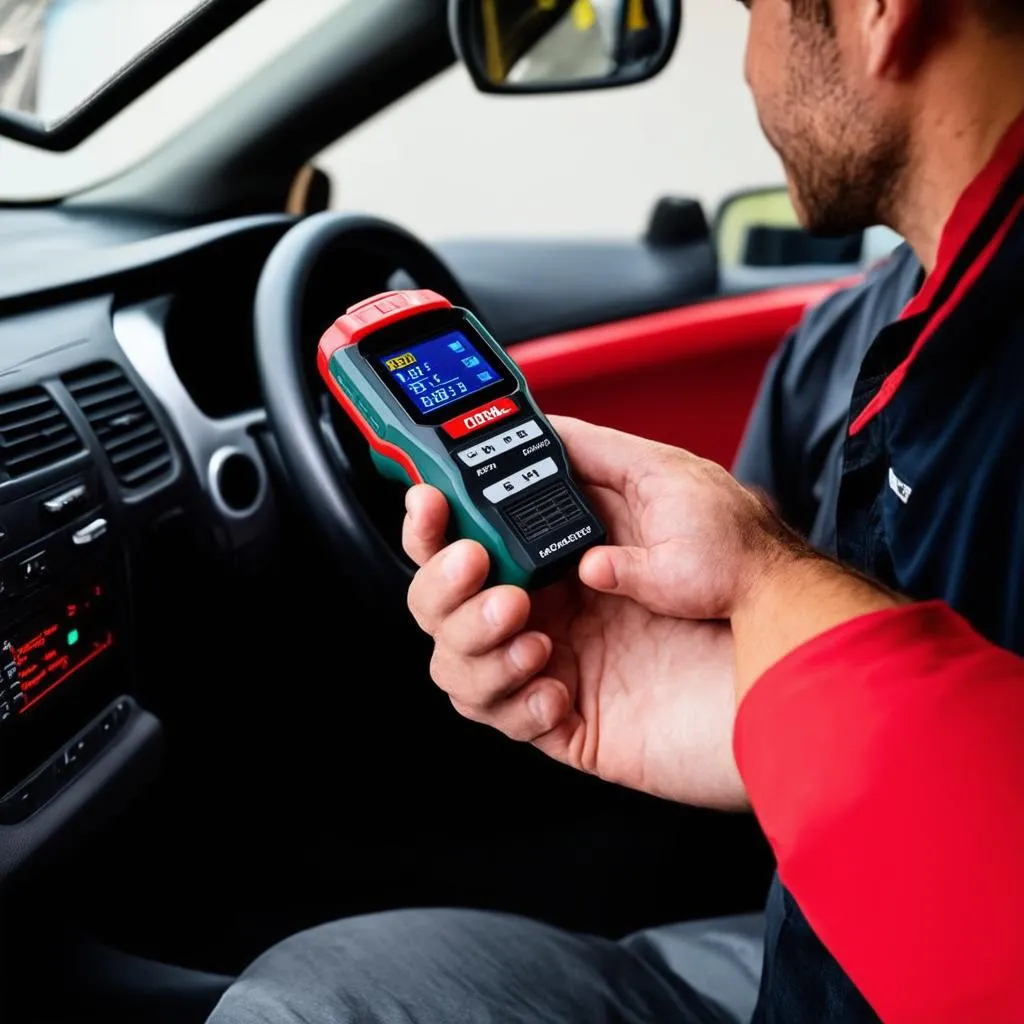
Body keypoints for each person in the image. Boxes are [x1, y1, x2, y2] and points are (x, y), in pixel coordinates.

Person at [208, 0, 1024, 1020]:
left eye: (752, 11)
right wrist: (745, 695)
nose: (747, 66)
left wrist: (769, 579)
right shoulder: (907, 311)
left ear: (875, 15)